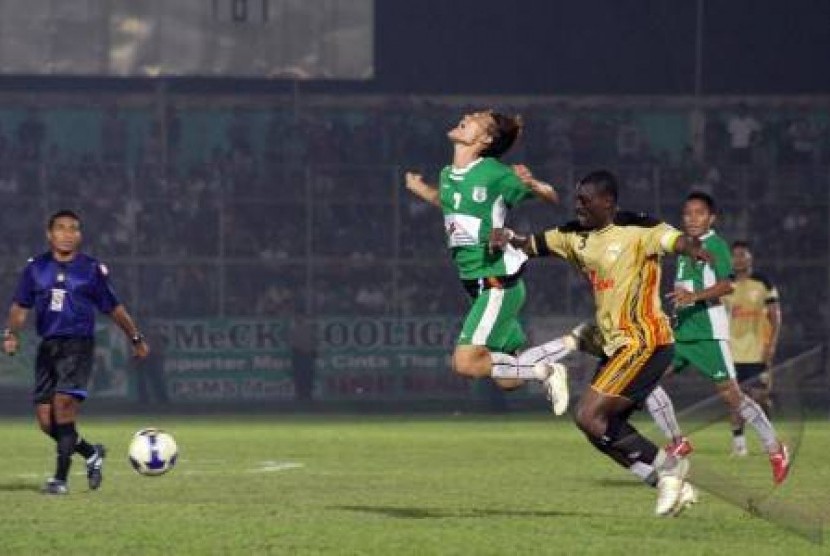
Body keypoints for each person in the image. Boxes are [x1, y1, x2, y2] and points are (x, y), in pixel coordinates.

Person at [490, 170, 707, 517]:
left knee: (590, 414)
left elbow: (676, 241)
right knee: (596, 426)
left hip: (645, 339)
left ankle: (670, 468)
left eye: (585, 200)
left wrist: (693, 247)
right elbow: (532, 244)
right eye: (577, 199)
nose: (578, 206)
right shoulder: (572, 235)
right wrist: (509, 237)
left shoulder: (640, 230)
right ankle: (666, 480)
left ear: (607, 201)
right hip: (615, 344)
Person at [404, 110, 573, 414]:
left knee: (466, 363)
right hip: (476, 284)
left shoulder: (494, 173)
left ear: (486, 139)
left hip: (497, 284)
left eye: (478, 117)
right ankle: (568, 344)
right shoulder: (446, 175)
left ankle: (546, 370)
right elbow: (448, 203)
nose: (467, 114)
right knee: (509, 381)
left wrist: (533, 183)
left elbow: (553, 196)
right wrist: (422, 190)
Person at [2, 210, 149, 495]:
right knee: (47, 422)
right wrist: (11, 334)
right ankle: (91, 452)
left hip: (78, 345)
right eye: (61, 228)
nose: (68, 234)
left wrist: (135, 337)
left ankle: (60, 479)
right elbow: (20, 307)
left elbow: (114, 308)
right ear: (50, 234)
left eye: (74, 229)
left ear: (79, 235)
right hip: (48, 346)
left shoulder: (90, 269)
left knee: (64, 408)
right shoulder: (35, 268)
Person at [645, 193, 789, 483]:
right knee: (645, 381)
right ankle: (677, 441)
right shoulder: (685, 248)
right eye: (687, 213)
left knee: (733, 396)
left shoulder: (716, 245)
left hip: (709, 334)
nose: (692, 218)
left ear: (711, 218)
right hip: (682, 333)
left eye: (699, 213)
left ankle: (775, 448)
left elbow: (727, 284)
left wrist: (694, 296)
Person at [724, 241, 782, 433]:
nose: (738, 259)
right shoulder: (725, 284)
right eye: (735, 255)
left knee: (761, 397)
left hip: (758, 350)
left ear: (750, 258)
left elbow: (775, 316)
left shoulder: (763, 282)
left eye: (742, 255)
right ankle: (739, 445)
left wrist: (772, 344)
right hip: (732, 352)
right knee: (735, 399)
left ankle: (769, 435)